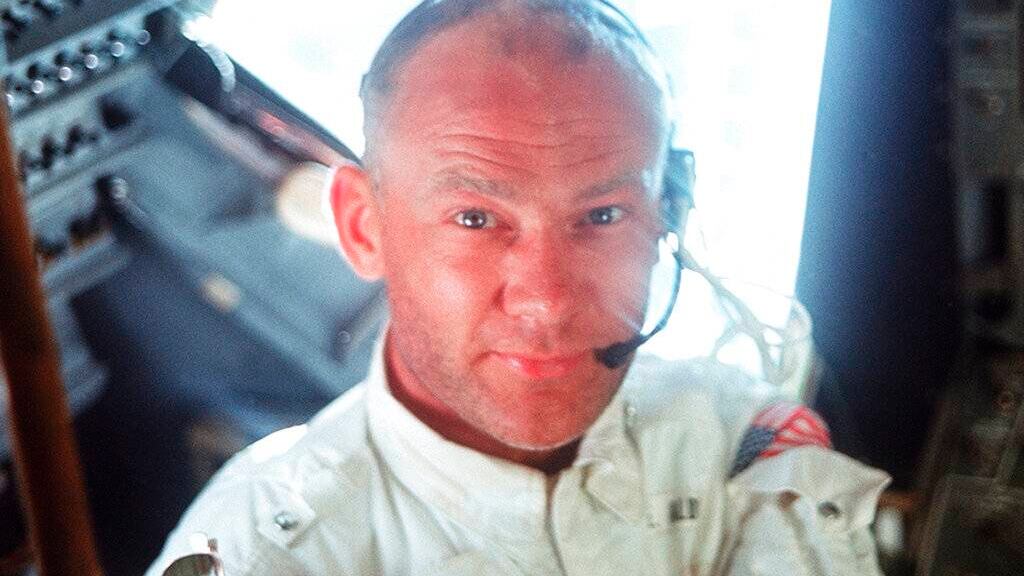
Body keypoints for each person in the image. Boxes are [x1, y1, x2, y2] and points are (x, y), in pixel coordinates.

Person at [146, 1, 890, 574]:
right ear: (365, 228)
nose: (547, 299)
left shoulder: (740, 439)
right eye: (475, 219)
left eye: (602, 215)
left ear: (667, 214)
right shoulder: (262, 551)